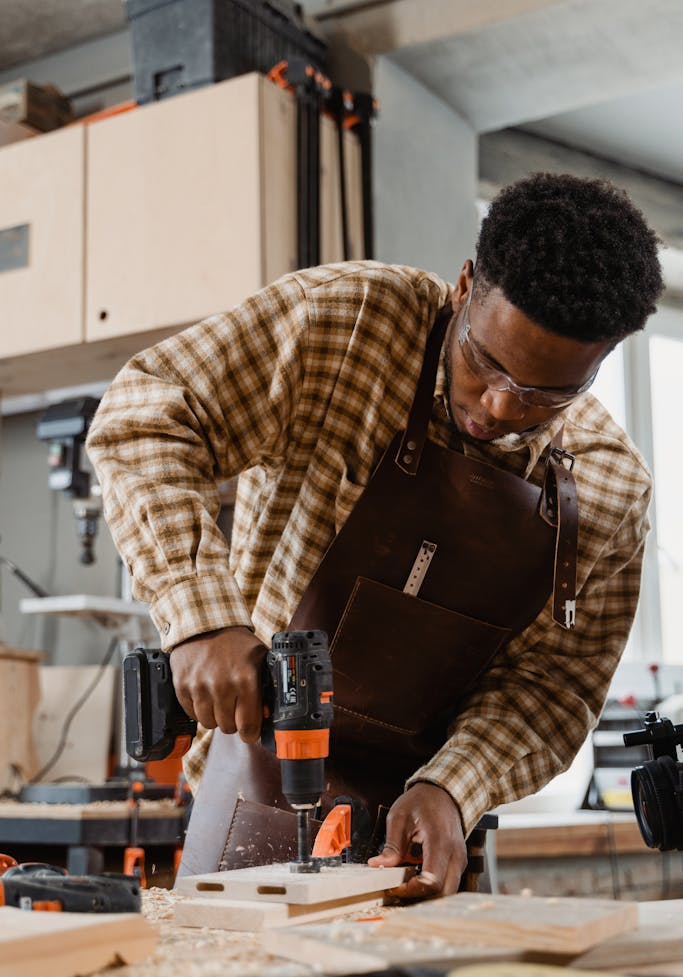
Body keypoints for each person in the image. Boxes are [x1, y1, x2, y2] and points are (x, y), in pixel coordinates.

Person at [87, 172, 663, 899]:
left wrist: (455, 787)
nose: (496, 406)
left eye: (545, 394)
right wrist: (199, 613)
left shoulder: (609, 489)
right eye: (484, 362)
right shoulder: (348, 322)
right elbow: (147, 415)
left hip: (427, 829)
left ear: (599, 364)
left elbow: (552, 684)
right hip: (249, 777)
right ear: (463, 287)